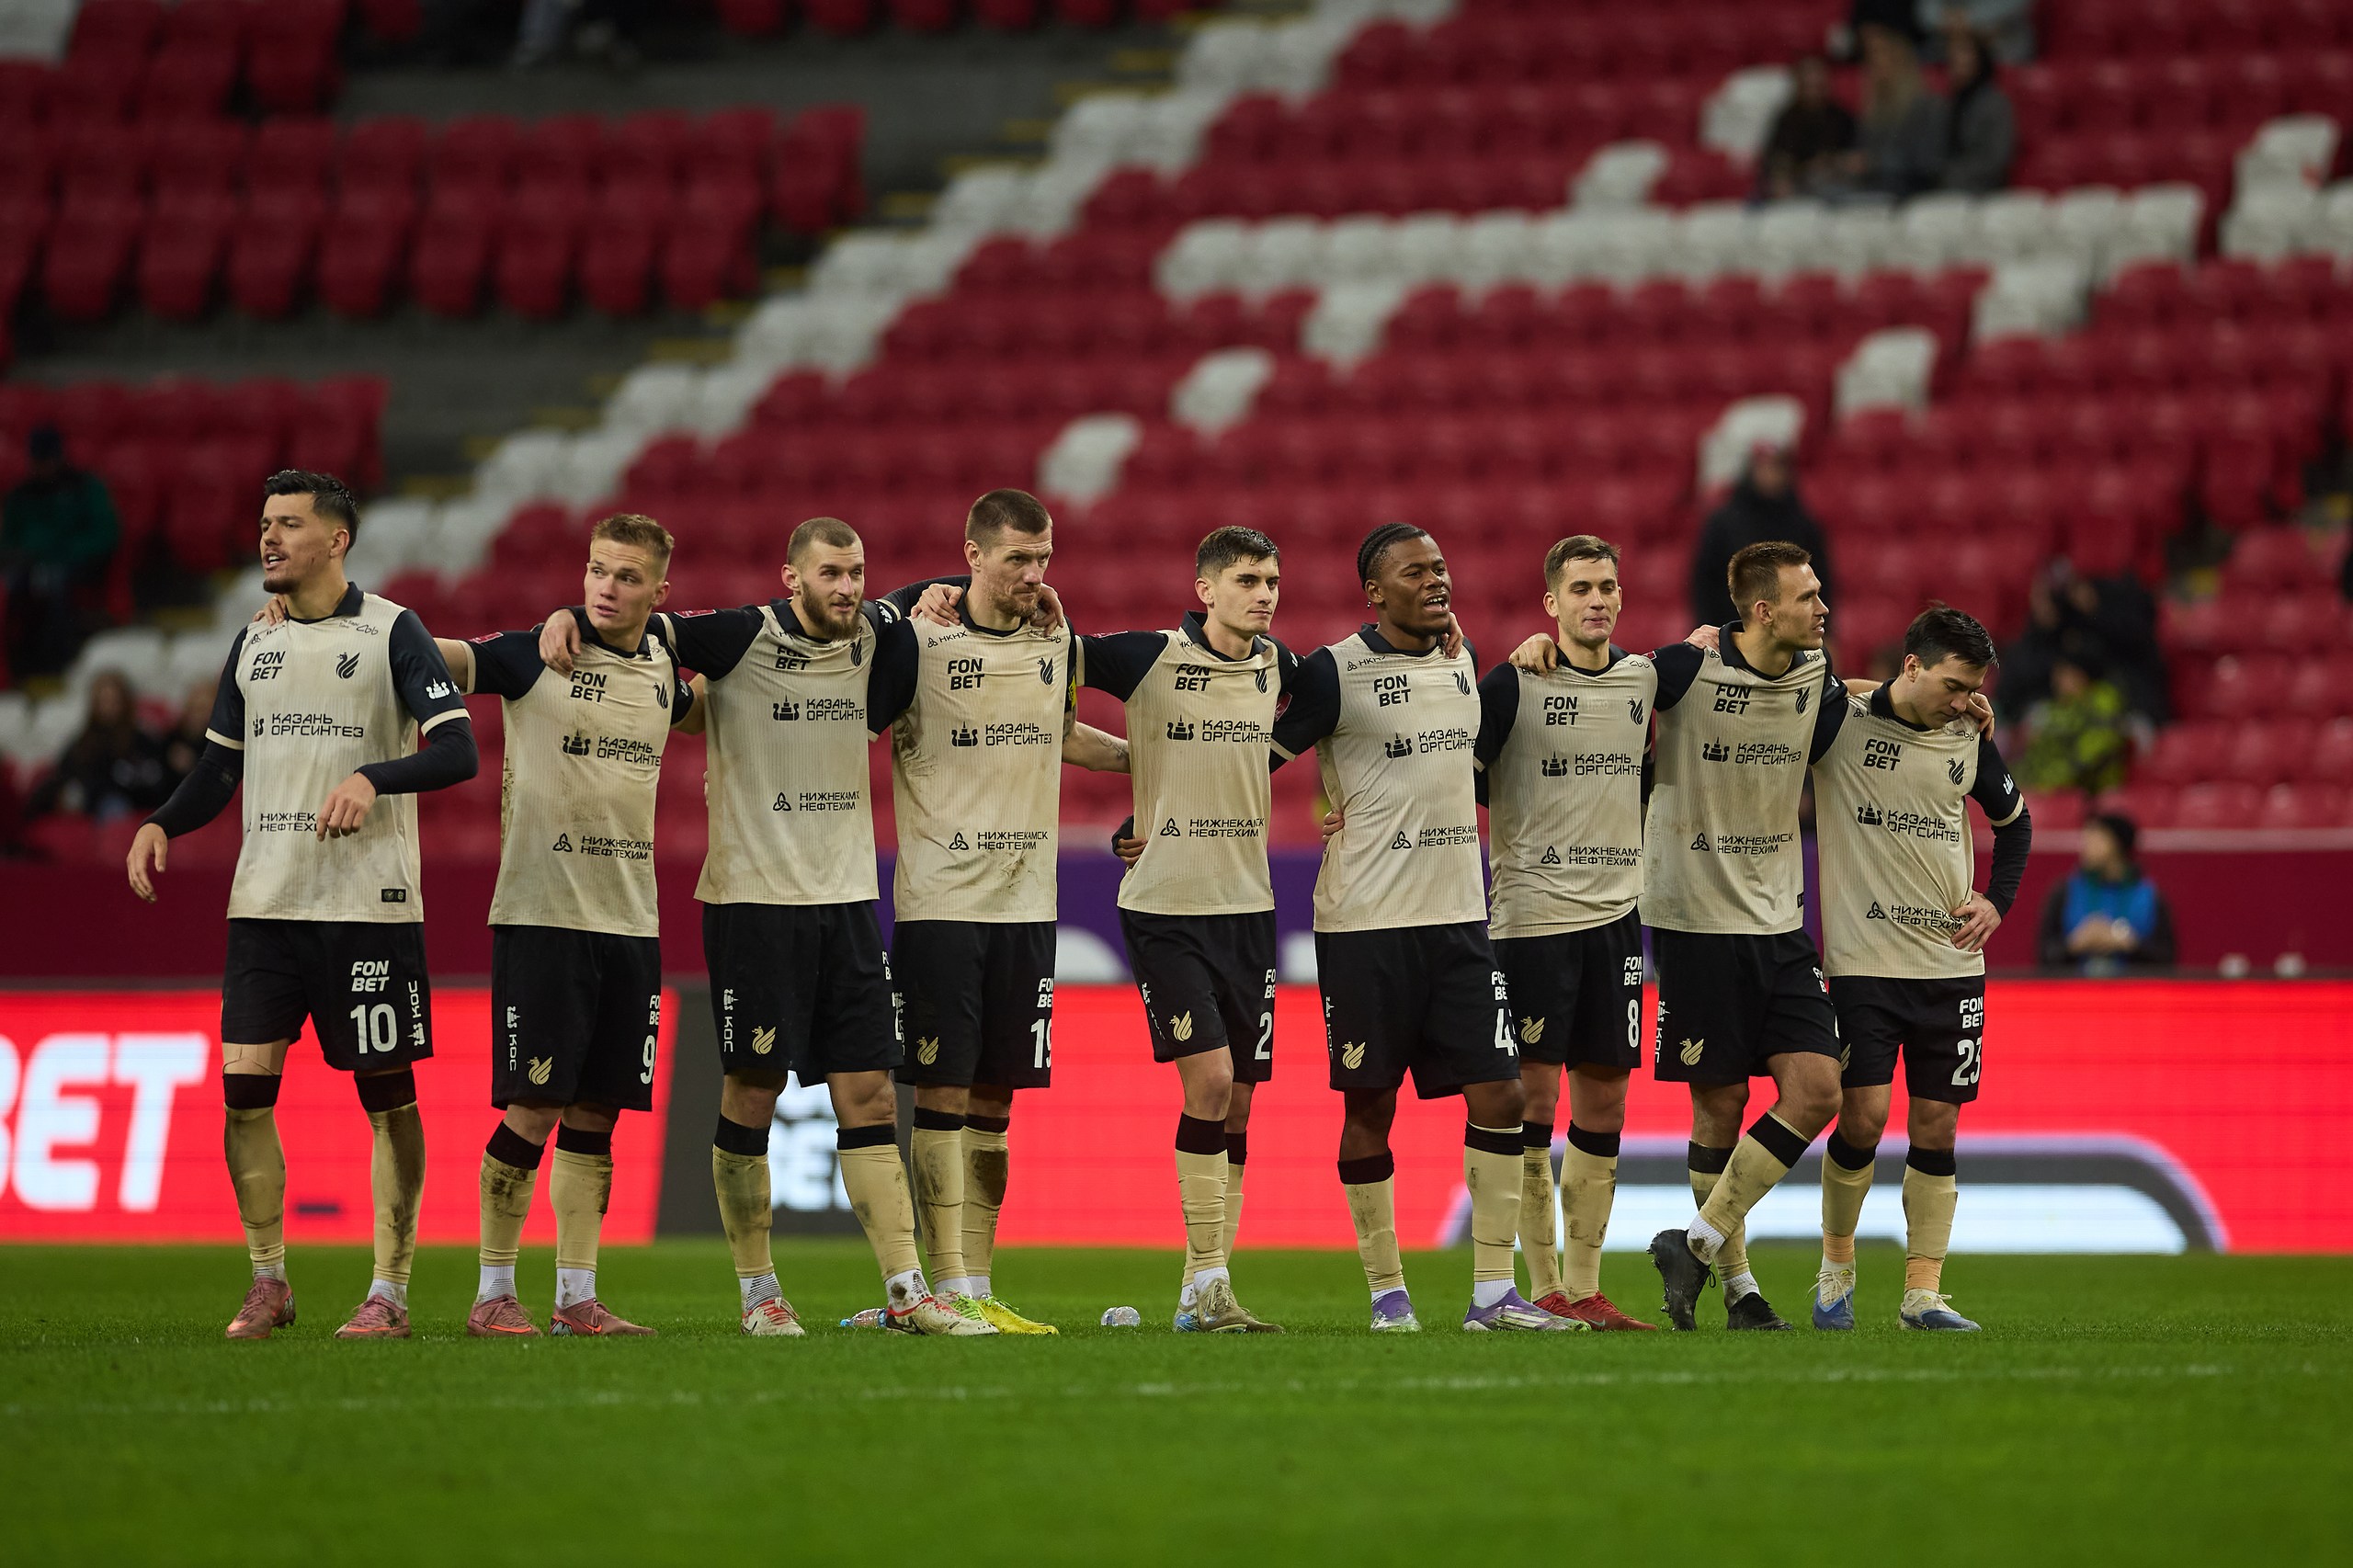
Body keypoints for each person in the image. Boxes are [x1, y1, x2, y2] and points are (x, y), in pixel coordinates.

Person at [536, 517, 983, 1336]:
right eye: (829, 573)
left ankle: (905, 1290)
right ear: (791, 578)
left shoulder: (873, 628)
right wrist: (566, 614)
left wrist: (974, 591)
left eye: (855, 572)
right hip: (753, 904)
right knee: (753, 1089)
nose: (846, 587)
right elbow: (638, 622)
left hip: (846, 903)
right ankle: (758, 1293)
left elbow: (926, 593)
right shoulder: (739, 636)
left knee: (870, 1093)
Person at [125, 470, 477, 1341]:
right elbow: (220, 767)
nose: (269, 538)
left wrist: (372, 777)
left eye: (288, 523)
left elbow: (458, 750)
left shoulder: (393, 630)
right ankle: (269, 1280)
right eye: (264, 524)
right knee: (244, 1098)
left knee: (387, 1101)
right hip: (266, 903)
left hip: (368, 906)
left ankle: (389, 1292)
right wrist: (162, 822)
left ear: (336, 540)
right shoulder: (255, 640)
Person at [1270, 523, 1569, 1334]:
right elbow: (1254, 755)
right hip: (1366, 924)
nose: (1436, 580)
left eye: (1440, 568)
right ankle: (1387, 1292)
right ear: (1374, 592)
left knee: (1503, 1095)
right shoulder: (1334, 671)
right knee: (1370, 1107)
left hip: (1460, 921)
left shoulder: (1460, 661)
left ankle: (1492, 1295)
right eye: (1415, 572)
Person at [884, 488, 1129, 1336]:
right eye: (1018, 557)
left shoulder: (1054, 638)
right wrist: (912, 595)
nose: (1035, 573)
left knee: (997, 1100)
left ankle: (978, 1284)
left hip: (1027, 904)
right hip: (943, 904)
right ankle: (944, 1284)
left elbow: (1064, 733)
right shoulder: (918, 636)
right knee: (943, 1092)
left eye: (1044, 557)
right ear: (973, 556)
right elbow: (840, 655)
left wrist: (1151, 763)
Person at [449, 513, 695, 1338]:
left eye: (627, 576)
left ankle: (576, 1298)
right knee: (535, 1107)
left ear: (659, 593)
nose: (605, 587)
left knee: (596, 1116)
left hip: (630, 922)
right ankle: (492, 1291)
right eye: (596, 570)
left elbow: (724, 700)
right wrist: (343, 619)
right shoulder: (535, 653)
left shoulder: (664, 669)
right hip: (544, 916)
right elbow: (443, 659)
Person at [1624, 540, 1853, 1332]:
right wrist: (1540, 650)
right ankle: (1740, 1291)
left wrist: (1941, 699)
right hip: (1693, 920)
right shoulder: (1683, 669)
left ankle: (1691, 1241)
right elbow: (1601, 688)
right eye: (1807, 596)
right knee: (1720, 1106)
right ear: (1763, 610)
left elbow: (1858, 705)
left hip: (1780, 920)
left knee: (1819, 1089)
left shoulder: (1815, 672)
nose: (1823, 607)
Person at [1088, 527, 1297, 1334]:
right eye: (1247, 579)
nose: (1264, 593)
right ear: (1205, 589)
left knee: (1238, 1104)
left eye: (1272, 580)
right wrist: (1139, 773)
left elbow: (1348, 703)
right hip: (1167, 909)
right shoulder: (1147, 657)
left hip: (1249, 907)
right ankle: (1210, 1285)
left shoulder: (1280, 667)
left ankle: (1200, 1291)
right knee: (1209, 1083)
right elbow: (1046, 664)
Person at [1808, 607, 2031, 1334]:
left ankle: (1922, 1294)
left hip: (1952, 964)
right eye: (1953, 685)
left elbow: (2016, 824)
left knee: (1937, 1125)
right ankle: (1836, 1271)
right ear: (1911, 666)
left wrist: (1997, 901)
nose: (1963, 701)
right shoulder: (1841, 724)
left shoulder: (1968, 740)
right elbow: (1796, 687)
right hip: (1865, 963)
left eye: (1973, 690)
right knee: (1864, 1118)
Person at [1463, 537, 1661, 1330]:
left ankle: (1584, 1287)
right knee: (1533, 1097)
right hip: (1533, 919)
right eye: (1580, 588)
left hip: (1617, 918)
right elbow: (1454, 773)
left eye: (1607, 586)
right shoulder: (1512, 683)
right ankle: (1541, 1284)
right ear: (1551, 603)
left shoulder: (1647, 679)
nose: (1597, 599)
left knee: (1606, 1099)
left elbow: (1760, 670)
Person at [3, 426, 119, 678]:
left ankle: (58, 662)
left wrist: (64, 554)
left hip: (77, 565)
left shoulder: (84, 487)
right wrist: (20, 556)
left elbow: (104, 535)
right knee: (9, 585)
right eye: (38, 462)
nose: (44, 468)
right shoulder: (22, 494)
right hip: (28, 565)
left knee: (54, 581)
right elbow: (7, 539)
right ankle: (17, 664)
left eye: (48, 461)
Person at [1688, 443, 1833, 630]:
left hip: (1789, 632)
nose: (1769, 475)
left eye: (1776, 467)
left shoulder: (1803, 526)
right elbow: (1706, 582)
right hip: (1734, 629)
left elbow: (1820, 580)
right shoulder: (1724, 523)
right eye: (1763, 467)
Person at [2037, 812, 2176, 974]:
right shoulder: (2064, 892)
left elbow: (2167, 958)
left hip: (2134, 988)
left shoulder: (2150, 897)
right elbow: (2043, 955)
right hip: (2075, 988)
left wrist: (2129, 944)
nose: (2085, 846)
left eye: (2095, 839)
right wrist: (2074, 944)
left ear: (2117, 844)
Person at [25, 669, 169, 822]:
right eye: (103, 701)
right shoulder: (84, 742)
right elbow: (64, 775)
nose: (109, 707)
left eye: (114, 701)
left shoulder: (142, 740)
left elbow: (157, 780)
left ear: (125, 703)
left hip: (136, 809)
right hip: (95, 810)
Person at [1841, 24, 1945, 200]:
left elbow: (1927, 163)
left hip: (1910, 192)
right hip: (1872, 188)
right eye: (1871, 57)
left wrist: (1873, 162)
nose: (1875, 63)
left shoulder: (1926, 106)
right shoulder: (1872, 109)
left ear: (1900, 61)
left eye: (1882, 55)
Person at [2013, 654, 2131, 795]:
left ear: (2080, 675)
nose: (2056, 681)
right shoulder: (2052, 711)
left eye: (2063, 674)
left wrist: (2047, 786)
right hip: (2054, 790)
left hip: (2095, 791)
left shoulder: (2102, 704)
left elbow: (2090, 756)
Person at [1758, 55, 1858, 201]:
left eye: (1817, 81)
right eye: (1808, 81)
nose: (1813, 82)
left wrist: (1835, 162)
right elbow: (1775, 158)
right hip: (1796, 186)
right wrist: (1782, 176)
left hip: (1833, 184)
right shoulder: (1787, 118)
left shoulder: (1841, 117)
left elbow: (1854, 157)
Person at [1938, 24, 2014, 193]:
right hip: (1946, 188)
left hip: (1982, 189)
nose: (1956, 59)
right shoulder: (1948, 104)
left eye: (1963, 52)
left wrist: (1950, 175)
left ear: (1980, 57)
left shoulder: (1996, 103)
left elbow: (1996, 160)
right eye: (1952, 54)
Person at [157, 678, 216, 793]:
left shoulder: (218, 744)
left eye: (205, 709)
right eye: (195, 708)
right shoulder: (170, 739)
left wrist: (193, 764)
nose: (199, 715)